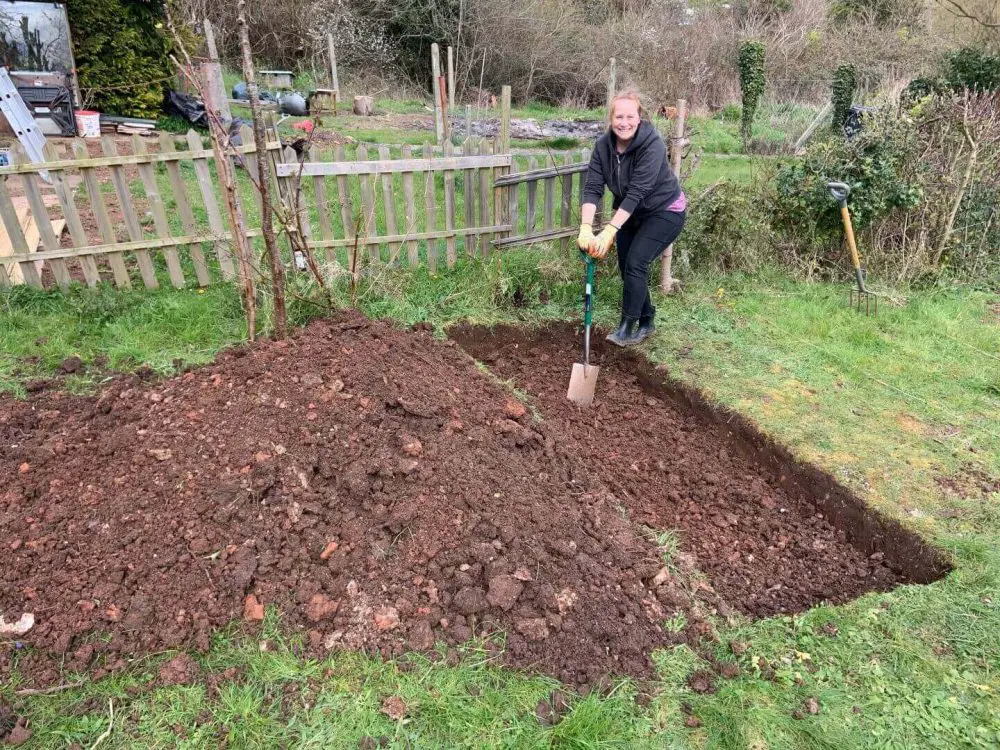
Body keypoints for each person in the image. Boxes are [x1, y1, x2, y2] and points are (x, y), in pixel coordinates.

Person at [577, 89, 686, 346]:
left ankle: (628, 326)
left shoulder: (652, 145)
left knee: (637, 261)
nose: (623, 123)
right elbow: (592, 188)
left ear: (639, 118)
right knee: (628, 266)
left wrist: (609, 230)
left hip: (665, 211)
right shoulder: (603, 147)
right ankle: (647, 319)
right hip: (632, 213)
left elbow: (637, 192)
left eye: (629, 117)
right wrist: (585, 227)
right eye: (618, 117)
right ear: (611, 119)